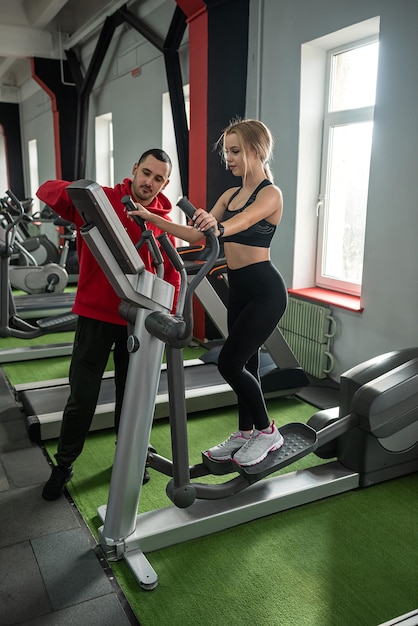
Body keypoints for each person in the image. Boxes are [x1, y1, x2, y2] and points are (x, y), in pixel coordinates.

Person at [127, 120, 287, 467]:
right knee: (248, 364)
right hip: (239, 288)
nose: (228, 158)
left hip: (265, 290)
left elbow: (242, 222)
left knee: (230, 363)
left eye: (235, 151)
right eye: (226, 151)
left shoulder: (270, 194)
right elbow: (196, 236)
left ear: (256, 151)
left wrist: (219, 226)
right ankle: (246, 433)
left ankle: (267, 430)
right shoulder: (229, 195)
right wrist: (152, 219)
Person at [38, 148, 180, 500]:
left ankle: (130, 457)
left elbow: (172, 274)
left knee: (131, 396)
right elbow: (46, 189)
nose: (149, 182)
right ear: (134, 169)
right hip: (95, 316)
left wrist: (170, 318)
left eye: (158, 178)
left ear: (165, 183)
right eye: (145, 173)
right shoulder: (103, 201)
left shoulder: (160, 221)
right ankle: (64, 464)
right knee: (81, 398)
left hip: (140, 322)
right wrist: (85, 192)